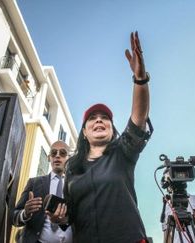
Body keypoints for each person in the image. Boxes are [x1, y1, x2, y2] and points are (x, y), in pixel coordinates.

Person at [48, 31, 153, 243]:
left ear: (112, 129)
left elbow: (139, 117)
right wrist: (59, 217)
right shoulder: (72, 168)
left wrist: (140, 79)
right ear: (84, 133)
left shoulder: (123, 152)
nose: (98, 120)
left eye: (104, 118)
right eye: (92, 118)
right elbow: (70, 215)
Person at [12, 140, 73, 243]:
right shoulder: (34, 183)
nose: (57, 156)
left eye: (62, 153)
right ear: (49, 158)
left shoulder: (76, 186)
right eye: (54, 153)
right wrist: (25, 213)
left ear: (69, 158)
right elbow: (14, 217)